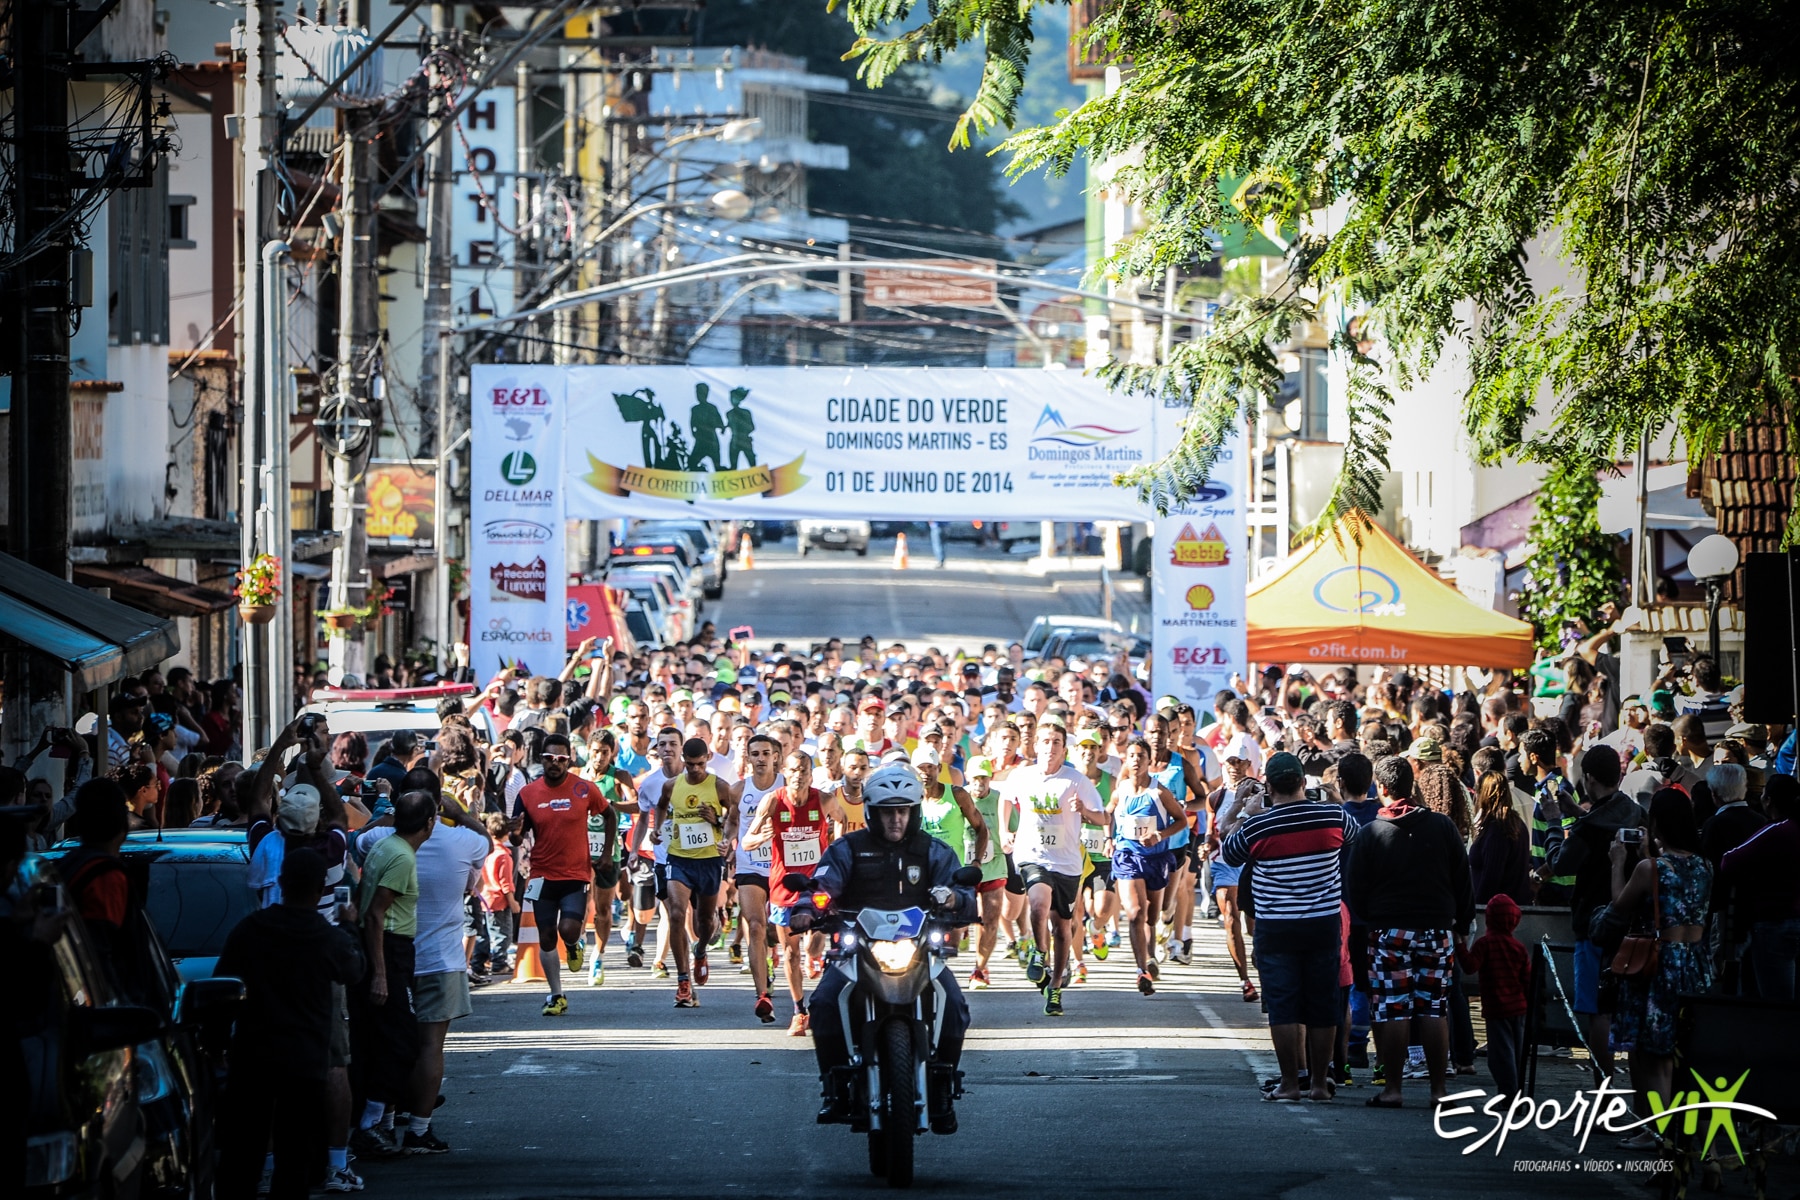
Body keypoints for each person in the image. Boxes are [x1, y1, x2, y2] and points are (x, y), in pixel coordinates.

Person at [795, 763, 977, 1133]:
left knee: (955, 1005)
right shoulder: (848, 848)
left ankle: (942, 1088)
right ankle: (835, 1089)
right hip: (858, 950)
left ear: (914, 811)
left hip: (920, 951)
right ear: (871, 812)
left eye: (903, 810)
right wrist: (806, 908)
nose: (896, 819)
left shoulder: (934, 851)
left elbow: (963, 891)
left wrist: (955, 900)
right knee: (825, 1003)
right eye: (887, 811)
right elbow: (822, 885)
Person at [215, 849, 367, 1199]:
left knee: (241, 1156)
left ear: (281, 883)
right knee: (295, 1159)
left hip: (253, 1057)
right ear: (319, 890)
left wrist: (217, 1043)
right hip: (304, 1062)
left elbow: (222, 989)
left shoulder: (251, 930)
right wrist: (347, 925)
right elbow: (354, 971)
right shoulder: (327, 937)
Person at [1219, 751, 1356, 1103]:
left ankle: (1290, 1083)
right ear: (1301, 783)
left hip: (1276, 927)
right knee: (1323, 1005)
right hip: (1323, 925)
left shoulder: (1257, 826)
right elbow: (1355, 837)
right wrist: (1336, 800)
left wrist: (1242, 812)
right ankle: (1321, 1084)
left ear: (1268, 786)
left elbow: (1230, 854)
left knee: (1283, 1005)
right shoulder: (1332, 816)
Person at [1344, 755, 1474, 1108]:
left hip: (1388, 932)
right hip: (1437, 930)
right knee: (1434, 1008)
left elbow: (1354, 889)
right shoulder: (1443, 826)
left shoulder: (1371, 832)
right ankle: (1439, 1091)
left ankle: (1393, 1089)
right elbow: (1464, 880)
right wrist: (1461, 924)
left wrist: (1371, 921)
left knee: (1393, 1008)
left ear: (1382, 789)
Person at [1596, 788, 1713, 1141]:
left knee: (1654, 1054)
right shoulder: (1705, 865)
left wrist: (1618, 863)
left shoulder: (1650, 868)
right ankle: (1680, 1136)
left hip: (1659, 965)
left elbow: (1620, 904)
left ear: (1657, 823)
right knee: (1685, 1054)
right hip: (1694, 962)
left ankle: (1658, 1135)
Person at [1542, 744, 1645, 1081]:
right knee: (1627, 1006)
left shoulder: (1588, 829)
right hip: (1633, 924)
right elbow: (1604, 817)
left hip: (1594, 924)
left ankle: (1605, 1083)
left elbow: (1559, 863)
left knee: (1598, 1010)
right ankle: (1635, 1083)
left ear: (1588, 778)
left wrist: (1557, 822)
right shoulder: (1634, 812)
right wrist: (1578, 813)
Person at [999, 722, 1109, 1017]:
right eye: (1045, 741)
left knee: (1062, 927)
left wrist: (1083, 811)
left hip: (1068, 862)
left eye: (1056, 742)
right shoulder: (1022, 776)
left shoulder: (1076, 780)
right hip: (1032, 855)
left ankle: (1056, 986)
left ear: (1064, 748)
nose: (1050, 747)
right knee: (1038, 904)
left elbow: (1102, 816)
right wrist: (1003, 830)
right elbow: (1006, 799)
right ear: (1036, 745)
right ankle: (1038, 951)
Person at [349, 790, 433, 1157]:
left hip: (386, 950)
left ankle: (371, 1121)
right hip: (390, 951)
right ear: (429, 823)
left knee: (381, 1039)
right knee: (403, 1042)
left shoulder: (388, 845)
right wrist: (382, 975)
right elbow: (375, 914)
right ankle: (368, 1124)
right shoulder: (400, 856)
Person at [743, 750, 841, 1034]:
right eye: (794, 770)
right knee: (790, 953)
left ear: (811, 773)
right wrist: (759, 837)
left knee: (813, 943)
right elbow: (747, 841)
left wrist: (836, 844)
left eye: (804, 770)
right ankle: (800, 1010)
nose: (799, 775)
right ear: (785, 772)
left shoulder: (823, 800)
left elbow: (844, 822)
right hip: (784, 887)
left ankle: (817, 949)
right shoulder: (773, 801)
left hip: (817, 886)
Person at [517, 731, 614, 1016]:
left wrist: (606, 854)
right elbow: (517, 834)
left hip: (575, 874)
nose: (555, 764)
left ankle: (574, 944)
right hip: (541, 875)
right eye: (549, 759)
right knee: (546, 936)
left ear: (569, 759)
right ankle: (556, 994)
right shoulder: (528, 793)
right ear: (541, 760)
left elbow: (609, 815)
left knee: (568, 929)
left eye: (561, 759)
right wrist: (512, 833)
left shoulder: (583, 788)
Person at [653, 736, 729, 1007]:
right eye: (690, 764)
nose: (695, 769)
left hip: (709, 861)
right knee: (675, 913)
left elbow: (735, 816)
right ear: (683, 761)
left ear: (708, 759)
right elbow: (661, 806)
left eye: (700, 764)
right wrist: (657, 829)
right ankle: (683, 981)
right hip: (679, 858)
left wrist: (719, 822)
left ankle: (701, 949)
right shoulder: (672, 785)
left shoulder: (720, 786)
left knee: (704, 923)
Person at [1108, 737, 1185, 994]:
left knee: (1153, 914)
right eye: (1132, 755)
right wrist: (1108, 838)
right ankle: (1142, 970)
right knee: (1135, 913)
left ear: (1149, 760)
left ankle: (1152, 949)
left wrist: (1160, 836)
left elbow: (1181, 821)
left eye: (1141, 755)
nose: (1136, 760)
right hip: (1128, 857)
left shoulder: (1159, 792)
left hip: (1156, 858)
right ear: (1126, 760)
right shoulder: (1120, 791)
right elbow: (1108, 814)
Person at [1718, 775, 1800, 1000]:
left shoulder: (1778, 829)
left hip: (1774, 923)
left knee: (1776, 1001)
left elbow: (1729, 860)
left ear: (1769, 800)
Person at [725, 733, 783, 1022]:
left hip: (782, 866)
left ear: (775, 757)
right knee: (756, 926)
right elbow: (733, 821)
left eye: (765, 753)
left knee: (775, 931)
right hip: (750, 866)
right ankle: (763, 996)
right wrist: (727, 841)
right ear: (747, 757)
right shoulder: (738, 790)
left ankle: (771, 959)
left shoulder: (787, 786)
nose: (760, 758)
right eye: (755, 753)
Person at [1454, 893, 1531, 1098]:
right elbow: (1527, 979)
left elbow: (1470, 967)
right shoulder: (1519, 948)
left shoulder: (1484, 944)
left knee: (1500, 1054)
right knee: (1516, 1051)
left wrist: (1460, 944)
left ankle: (1508, 1094)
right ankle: (1518, 1091)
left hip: (1497, 1008)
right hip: (1519, 1008)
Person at [959, 756, 1009, 987]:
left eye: (984, 778)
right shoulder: (959, 797)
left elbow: (1014, 827)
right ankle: (961, 933)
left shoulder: (1000, 800)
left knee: (990, 919)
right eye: (975, 778)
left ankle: (979, 970)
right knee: (958, 920)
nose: (980, 782)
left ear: (991, 778)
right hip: (964, 867)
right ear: (968, 777)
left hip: (993, 865)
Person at [1468, 771, 1531, 905]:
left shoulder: (1497, 830)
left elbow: (1490, 877)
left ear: (1482, 795)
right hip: (1516, 905)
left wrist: (1477, 909)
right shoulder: (1517, 824)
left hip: (1496, 911)